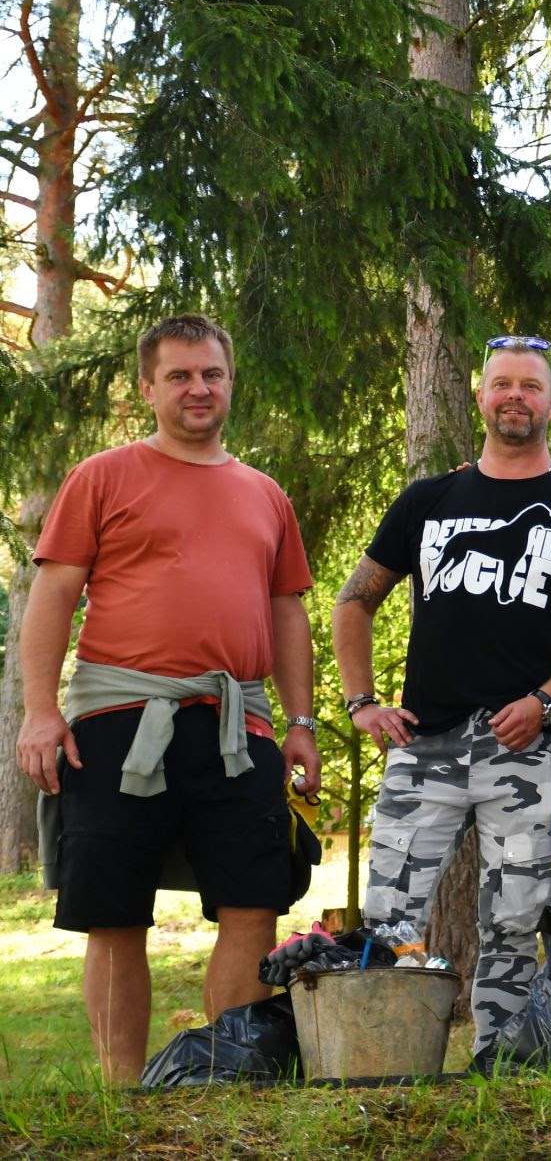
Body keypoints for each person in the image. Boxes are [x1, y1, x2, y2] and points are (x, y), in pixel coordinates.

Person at [12, 313, 319, 1085]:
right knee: (114, 909)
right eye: (179, 375)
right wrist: (41, 709)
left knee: (255, 900)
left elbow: (287, 612)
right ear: (148, 387)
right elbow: (53, 595)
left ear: (230, 382)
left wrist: (301, 721)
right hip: (118, 720)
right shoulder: (103, 476)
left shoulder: (264, 493)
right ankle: (124, 1089)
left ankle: (230, 1074)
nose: (198, 388)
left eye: (211, 373)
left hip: (236, 723)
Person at [333, 336, 551, 1055]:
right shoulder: (429, 499)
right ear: (481, 396)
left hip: (525, 747)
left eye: (531, 385)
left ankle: (502, 1065)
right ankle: (381, 1062)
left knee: (513, 920)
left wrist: (546, 701)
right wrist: (360, 700)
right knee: (388, 912)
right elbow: (352, 601)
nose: (515, 396)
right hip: (422, 743)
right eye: (502, 383)